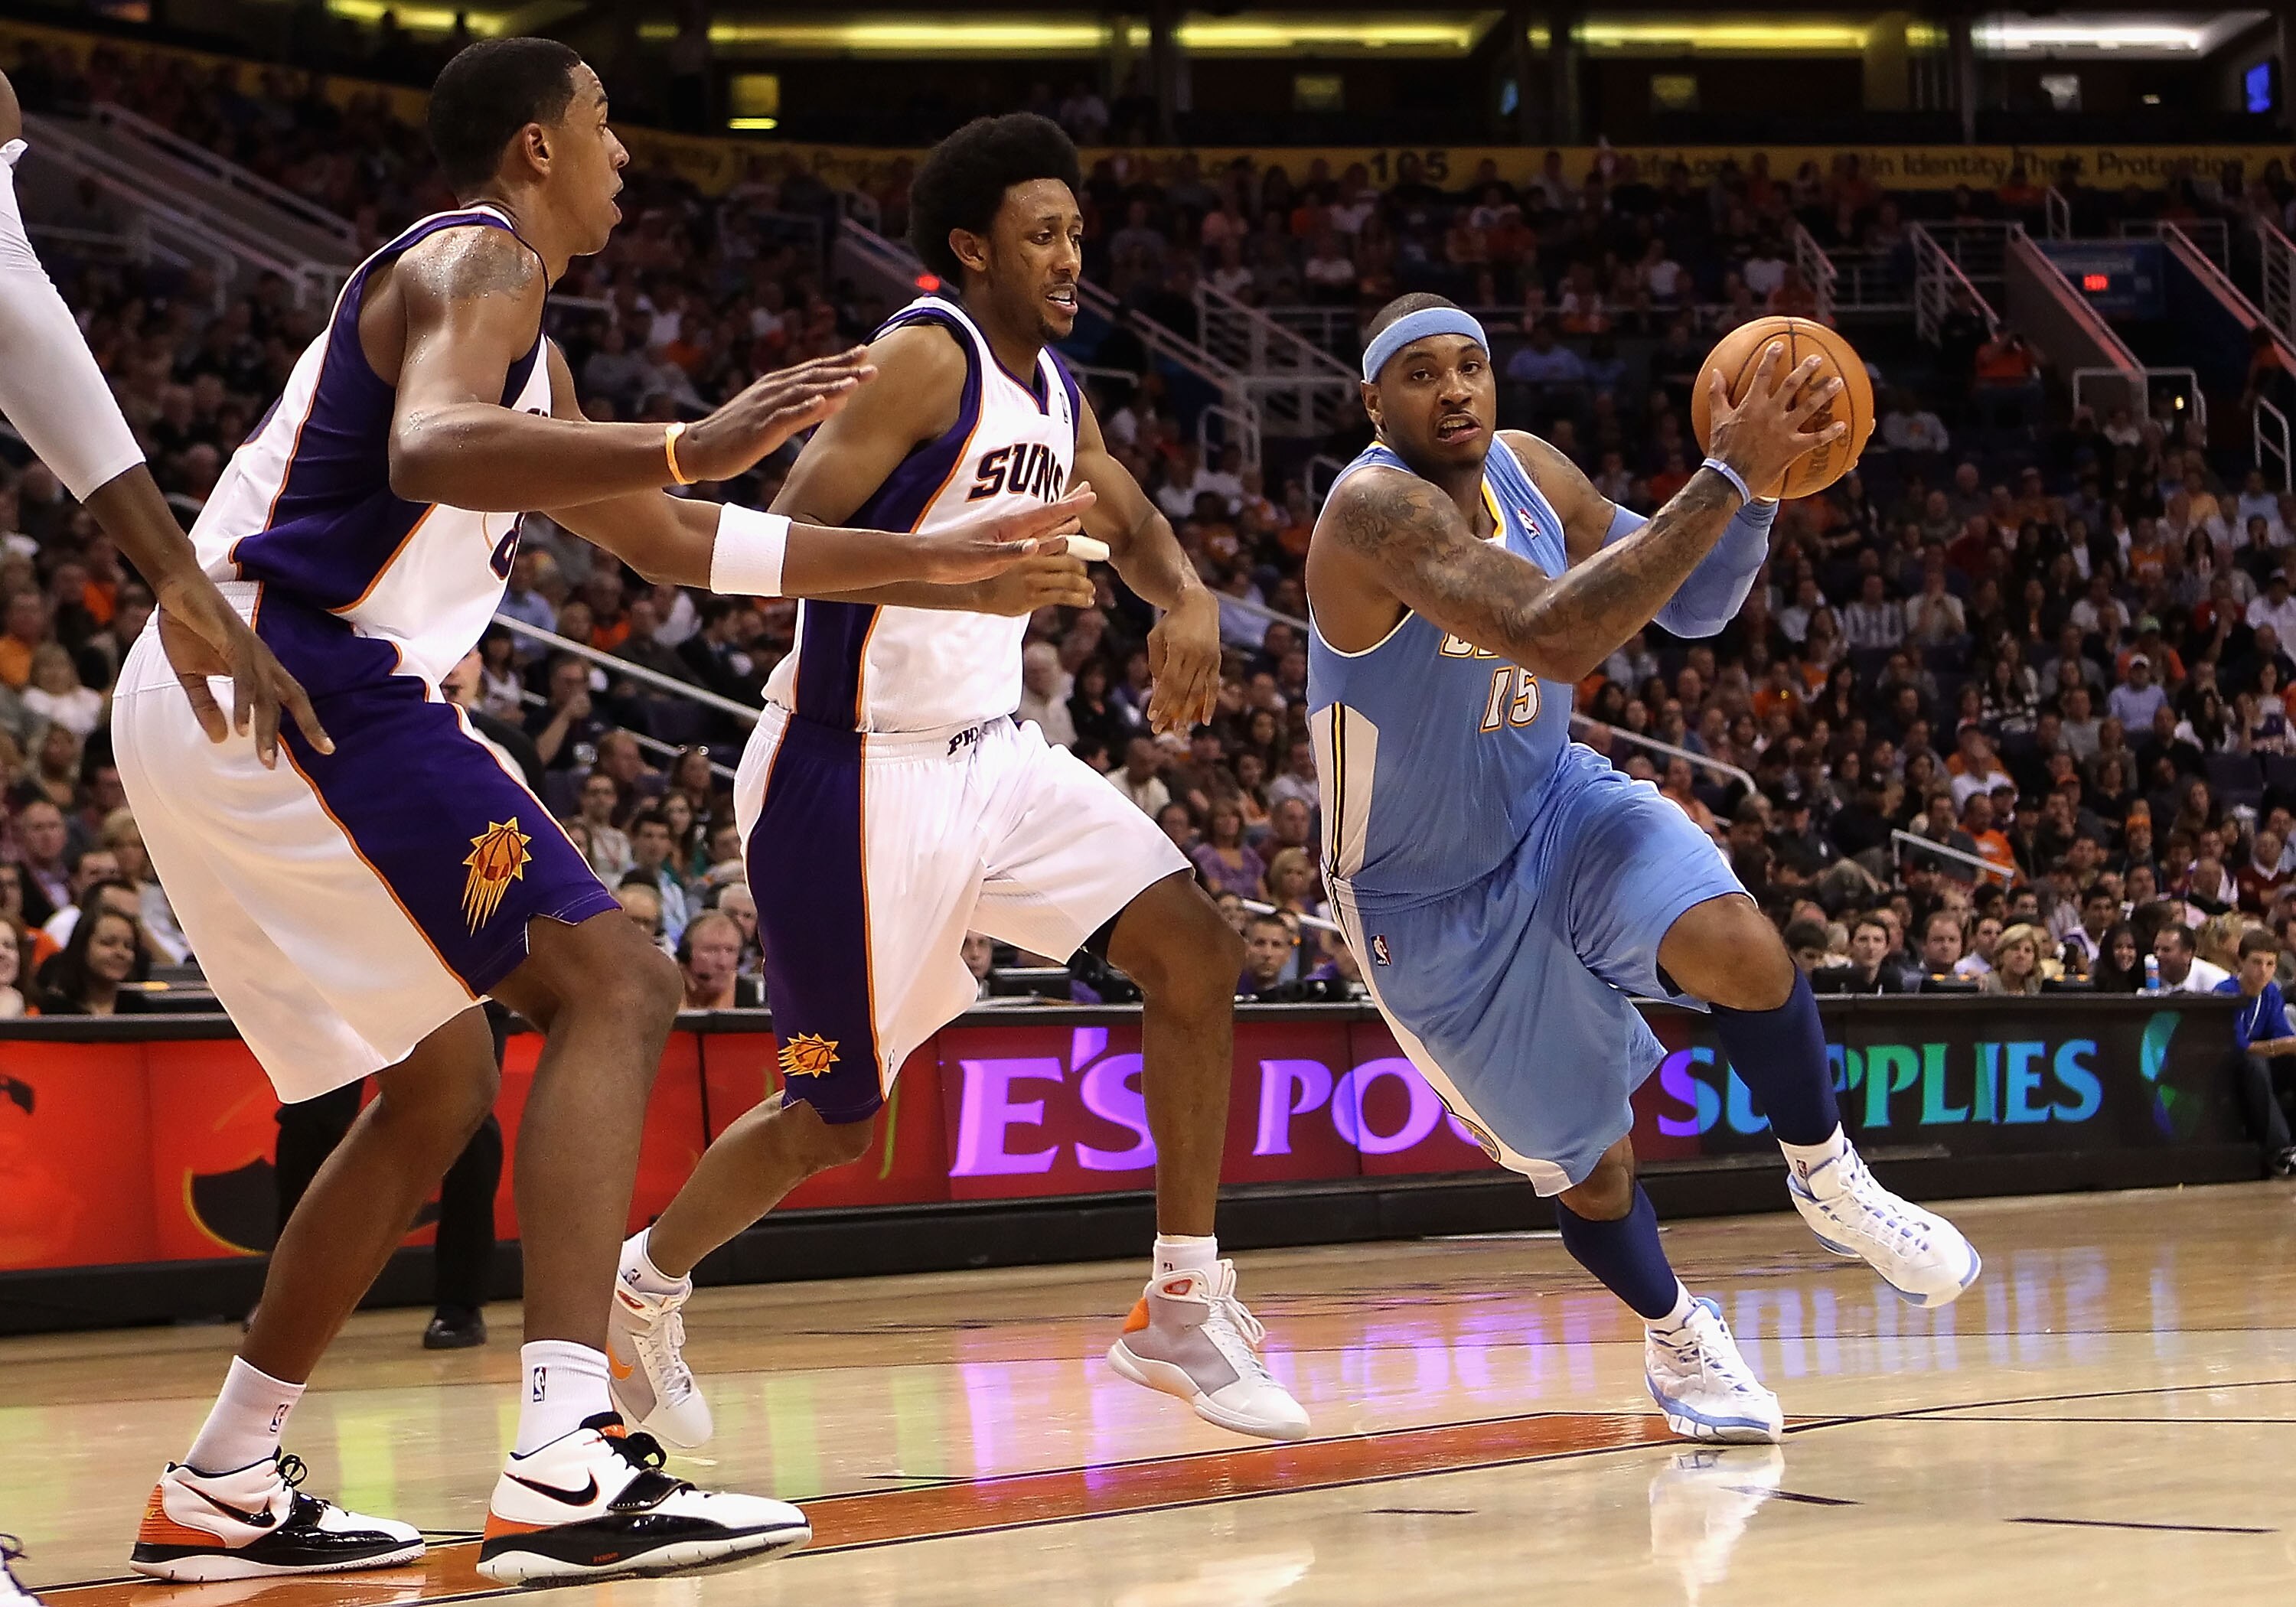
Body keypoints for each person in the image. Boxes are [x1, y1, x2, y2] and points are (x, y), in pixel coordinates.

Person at [108, 40, 1078, 1589]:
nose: (626, 149)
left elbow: (680, 543)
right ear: (535, 145)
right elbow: (435, 446)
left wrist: (938, 565)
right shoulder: (479, 255)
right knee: (618, 976)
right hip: (293, 662)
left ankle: (223, 1477)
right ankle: (566, 1452)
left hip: (224, 693)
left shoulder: (532, 361)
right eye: (607, 120)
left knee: (439, 1087)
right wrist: (697, 435)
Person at [608, 113, 1306, 1451]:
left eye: (1078, 234)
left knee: (1196, 953)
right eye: (1042, 236)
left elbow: (1131, 513)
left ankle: (1180, 1302)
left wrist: (1189, 593)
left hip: (992, 755)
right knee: (828, 1123)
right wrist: (962, 572)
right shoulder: (927, 355)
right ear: (973, 248)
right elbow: (791, 530)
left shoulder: (1053, 388)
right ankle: (644, 1287)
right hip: (850, 773)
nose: (1070, 259)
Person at [1303, 292, 1978, 1446]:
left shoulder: (1531, 471)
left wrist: (1757, 493)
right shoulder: (1374, 511)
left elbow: (1701, 607)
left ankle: (1828, 1174)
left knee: (1744, 946)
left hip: (1552, 802)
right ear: (1373, 402)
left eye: (1471, 364)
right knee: (1595, 1171)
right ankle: (1675, 1332)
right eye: (1420, 374)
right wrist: (1722, 475)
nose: (1455, 389)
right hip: (1426, 904)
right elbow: (1559, 634)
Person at [2216, 927, 2296, 1175]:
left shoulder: (2271, 993)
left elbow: (2283, 1034)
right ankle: (2280, 1150)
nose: (2263, 971)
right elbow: (2240, 1046)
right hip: (2227, 1068)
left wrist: (2288, 1046)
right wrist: (2278, 1046)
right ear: (2241, 962)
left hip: (2260, 1065)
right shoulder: (2226, 992)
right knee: (2254, 1062)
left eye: (2270, 964)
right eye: (2256, 962)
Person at [34, 906, 147, 1016]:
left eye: (128, 946)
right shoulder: (54, 1010)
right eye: (108, 943)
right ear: (82, 946)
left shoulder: (139, 1009)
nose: (120, 952)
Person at [679, 909, 762, 1009]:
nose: (723, 962)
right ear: (686, 954)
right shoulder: (664, 988)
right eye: (711, 950)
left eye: (730, 950)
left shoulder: (746, 994)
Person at [2154, 921, 2231, 993]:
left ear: (2188, 954)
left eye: (2166, 950)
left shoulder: (2217, 981)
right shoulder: (2147, 971)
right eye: (2156, 949)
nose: (2158, 955)